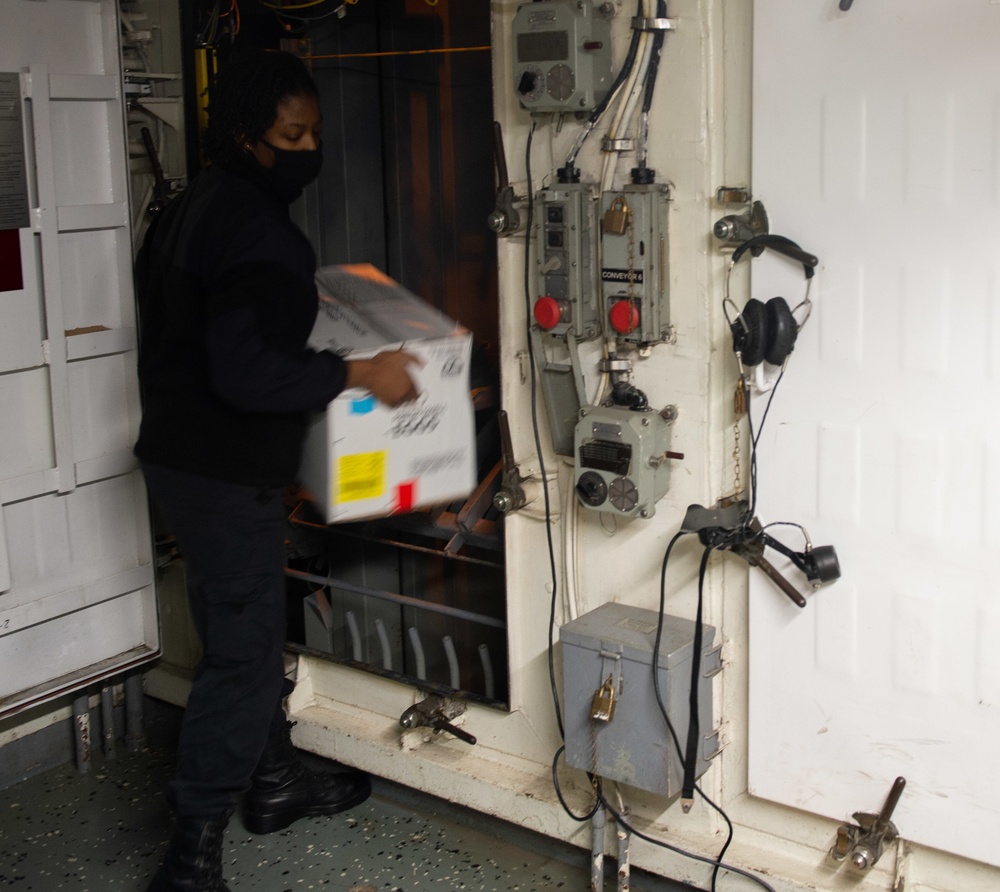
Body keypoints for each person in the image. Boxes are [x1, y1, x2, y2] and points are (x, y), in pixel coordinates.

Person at [134, 48, 419, 892]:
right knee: (243, 656)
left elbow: (212, 328)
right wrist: (363, 373)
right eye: (291, 134)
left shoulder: (195, 204)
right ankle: (189, 857)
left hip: (184, 462)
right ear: (248, 137)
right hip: (222, 474)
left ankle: (277, 782)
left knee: (243, 633)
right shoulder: (257, 231)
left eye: (316, 131)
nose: (307, 147)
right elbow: (248, 372)